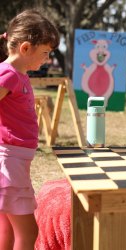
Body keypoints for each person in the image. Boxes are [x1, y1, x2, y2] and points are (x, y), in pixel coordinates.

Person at [0, 9, 59, 250]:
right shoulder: (8, 74)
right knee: (28, 231)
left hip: (14, 160)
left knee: (6, 231)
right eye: (45, 53)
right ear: (25, 48)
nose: (47, 59)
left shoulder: (19, 74)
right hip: (8, 162)